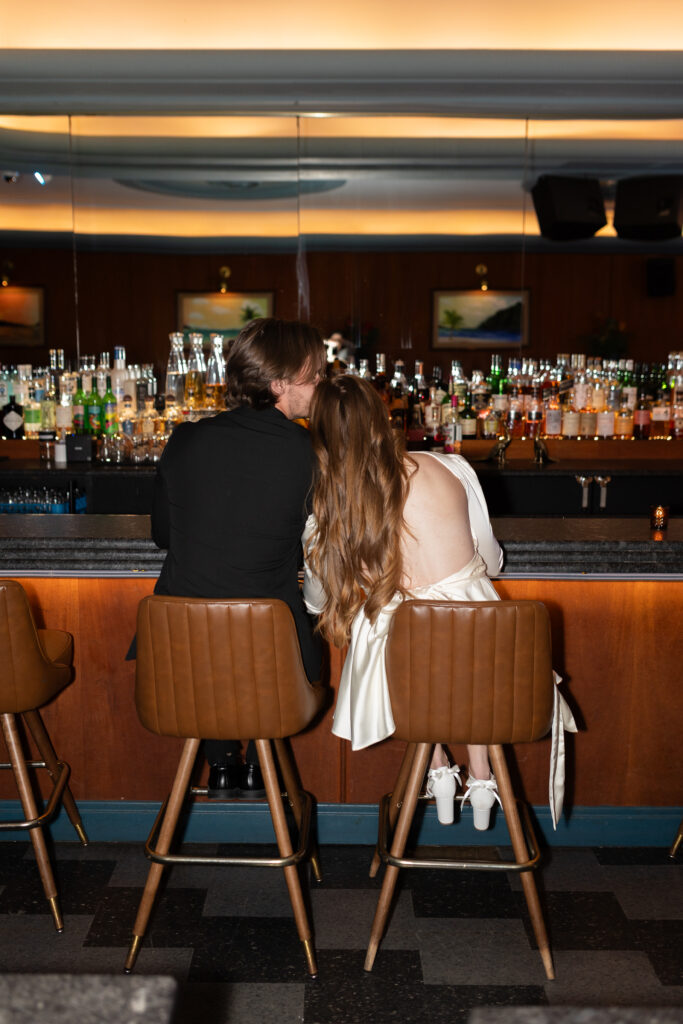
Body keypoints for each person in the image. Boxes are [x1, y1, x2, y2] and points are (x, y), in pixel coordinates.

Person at [302, 373, 505, 829]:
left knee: (394, 633)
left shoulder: (330, 504)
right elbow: (490, 560)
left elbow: (316, 601)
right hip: (485, 640)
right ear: (383, 418)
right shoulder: (452, 468)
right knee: (463, 632)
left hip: (409, 652)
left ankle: (436, 768)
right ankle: (482, 774)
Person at [152, 317, 326, 798]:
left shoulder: (184, 439)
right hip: (273, 665)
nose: (321, 385)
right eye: (314, 376)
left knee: (214, 633)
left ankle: (223, 762)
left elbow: (163, 535)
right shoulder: (311, 451)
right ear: (278, 384)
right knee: (269, 626)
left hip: (175, 664)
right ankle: (260, 762)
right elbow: (323, 543)